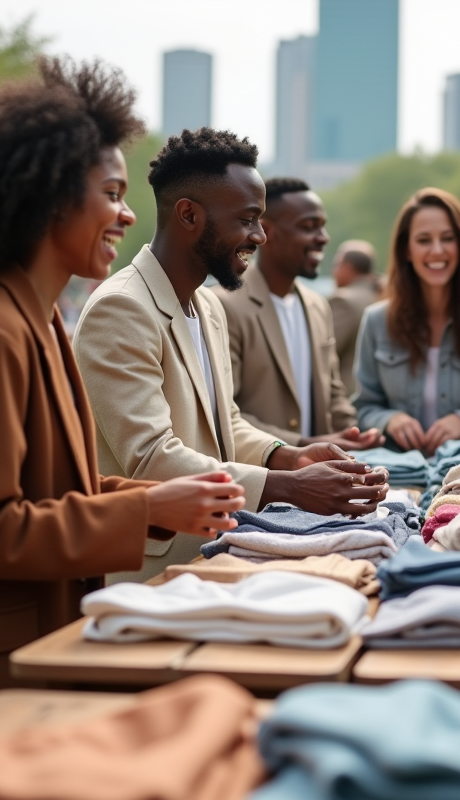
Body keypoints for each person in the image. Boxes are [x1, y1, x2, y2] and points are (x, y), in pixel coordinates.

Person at [0, 59, 248, 746]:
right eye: (111, 193)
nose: (128, 214)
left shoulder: (40, 319)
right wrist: (146, 509)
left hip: (35, 647)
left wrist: (160, 501)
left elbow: (53, 490)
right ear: (47, 199)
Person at [74, 128, 388, 581]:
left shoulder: (209, 306)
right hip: (148, 574)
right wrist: (288, 487)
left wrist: (288, 456)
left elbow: (227, 425)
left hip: (215, 554)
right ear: (189, 215)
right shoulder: (121, 308)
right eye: (247, 219)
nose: (260, 236)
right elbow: (152, 458)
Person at [352, 188, 460, 455]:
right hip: (396, 469)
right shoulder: (376, 322)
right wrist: (389, 420)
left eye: (447, 238)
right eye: (423, 240)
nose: (437, 250)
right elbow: (362, 408)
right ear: (406, 250)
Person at [214, 177, 381, 449]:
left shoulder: (318, 306)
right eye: (308, 227)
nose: (323, 238)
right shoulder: (223, 306)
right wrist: (300, 445)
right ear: (266, 231)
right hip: (259, 473)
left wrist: (355, 434)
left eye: (322, 226)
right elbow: (222, 412)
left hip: (322, 472)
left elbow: (334, 394)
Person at [328, 239, 383, 394]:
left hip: (347, 394)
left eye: (336, 265)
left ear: (348, 268)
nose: (333, 272)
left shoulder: (342, 300)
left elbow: (324, 352)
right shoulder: (382, 296)